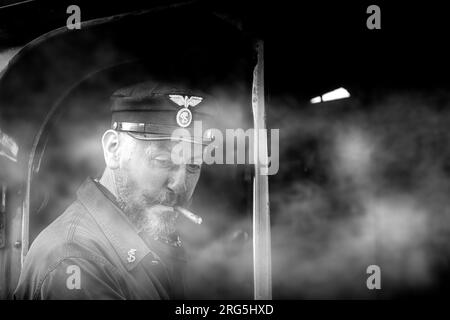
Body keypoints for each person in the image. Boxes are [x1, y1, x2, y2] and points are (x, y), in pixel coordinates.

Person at [14, 80, 216, 299]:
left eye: (194, 165)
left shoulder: (149, 235)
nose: (180, 184)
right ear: (113, 150)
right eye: (162, 160)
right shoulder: (76, 259)